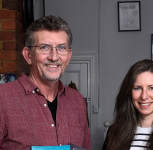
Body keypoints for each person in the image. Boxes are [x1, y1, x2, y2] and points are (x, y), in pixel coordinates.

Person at [0, 15, 91, 150]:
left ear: (69, 55)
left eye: (61, 48)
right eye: (44, 47)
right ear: (28, 55)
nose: (54, 57)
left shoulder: (77, 101)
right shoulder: (3, 97)